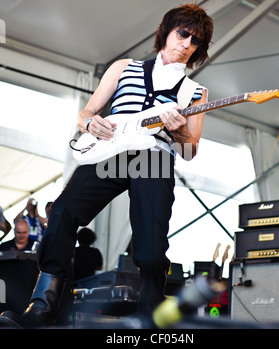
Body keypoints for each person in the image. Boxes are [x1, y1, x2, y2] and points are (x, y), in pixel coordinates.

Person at [0, 4, 214, 328]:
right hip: (110, 151)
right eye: (183, 33)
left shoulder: (195, 92)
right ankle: (43, 306)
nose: (187, 43)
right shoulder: (123, 68)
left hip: (153, 158)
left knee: (151, 249)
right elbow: (84, 114)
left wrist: (178, 128)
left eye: (196, 40)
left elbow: (188, 150)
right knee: (62, 211)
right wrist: (90, 125)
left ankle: (153, 318)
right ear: (166, 31)